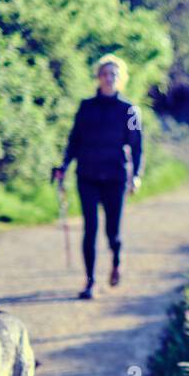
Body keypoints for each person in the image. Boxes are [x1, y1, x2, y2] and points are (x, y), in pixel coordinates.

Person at [52, 55, 143, 300]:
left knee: (113, 232)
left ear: (120, 78)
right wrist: (63, 165)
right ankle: (90, 281)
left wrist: (135, 176)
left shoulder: (130, 110)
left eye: (114, 74)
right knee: (89, 228)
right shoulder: (86, 107)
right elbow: (74, 140)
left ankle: (116, 260)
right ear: (98, 77)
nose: (109, 78)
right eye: (105, 73)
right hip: (88, 174)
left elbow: (137, 147)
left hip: (115, 176)